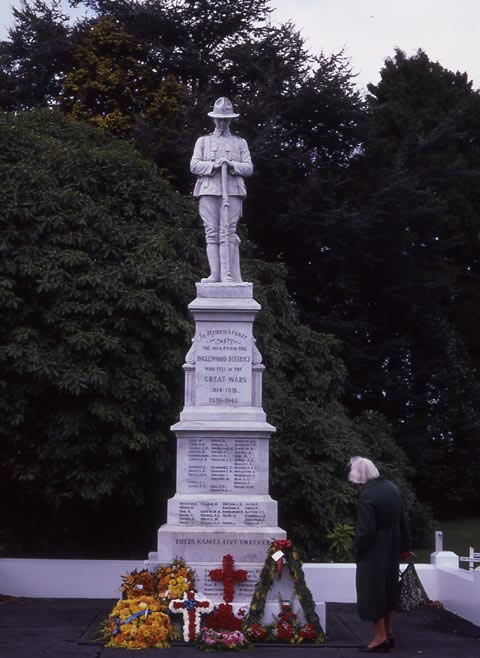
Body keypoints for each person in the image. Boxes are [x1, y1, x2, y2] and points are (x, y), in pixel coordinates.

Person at [348, 456, 411, 653]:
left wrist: (358, 548)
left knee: (372, 592)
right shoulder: (392, 487)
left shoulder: (367, 495)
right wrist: (405, 547)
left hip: (374, 550)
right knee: (387, 589)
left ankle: (379, 637)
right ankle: (389, 633)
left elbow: (366, 530)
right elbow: (403, 520)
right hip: (393, 546)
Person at [191, 97, 253, 283]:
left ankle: (228, 274)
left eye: (225, 119)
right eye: (219, 119)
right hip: (209, 190)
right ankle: (215, 274)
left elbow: (249, 168)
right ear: (213, 119)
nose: (222, 123)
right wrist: (214, 165)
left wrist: (232, 164)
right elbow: (194, 165)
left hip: (232, 191)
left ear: (230, 120)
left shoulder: (240, 142)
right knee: (211, 233)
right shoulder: (203, 141)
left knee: (228, 231)